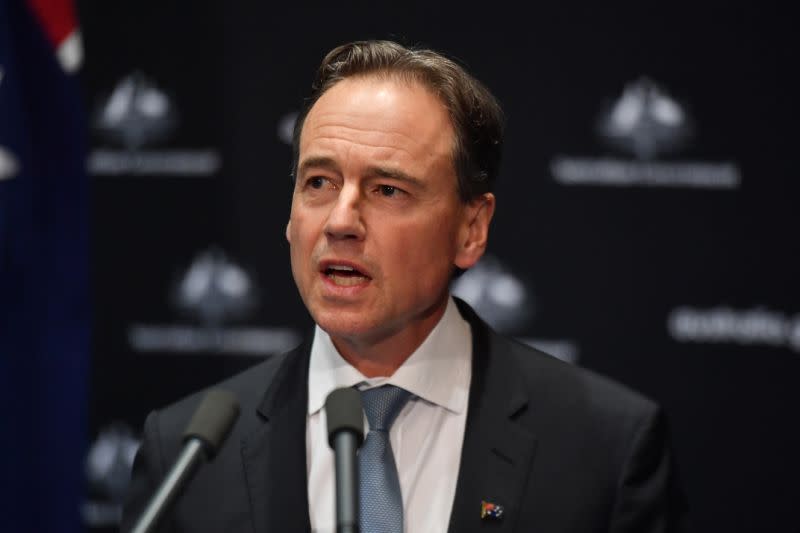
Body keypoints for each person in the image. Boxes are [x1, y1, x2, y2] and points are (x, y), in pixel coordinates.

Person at [121, 40, 687, 532]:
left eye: (388, 190)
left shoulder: (605, 449)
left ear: (471, 228)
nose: (340, 220)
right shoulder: (187, 454)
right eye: (318, 181)